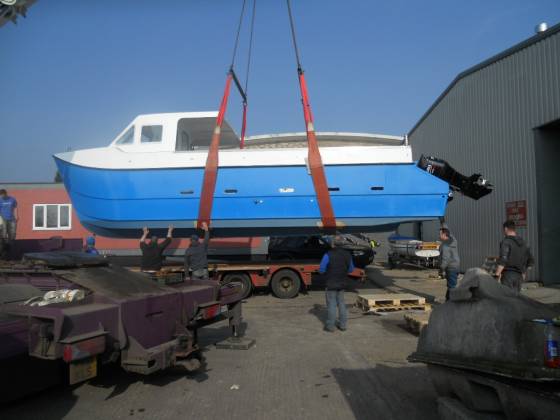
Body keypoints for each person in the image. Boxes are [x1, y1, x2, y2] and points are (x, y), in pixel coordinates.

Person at [319, 235, 355, 332]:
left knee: (331, 304)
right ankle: (343, 325)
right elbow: (351, 269)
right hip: (342, 283)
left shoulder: (328, 254)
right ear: (342, 243)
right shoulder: (347, 254)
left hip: (330, 283)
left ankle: (330, 326)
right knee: (341, 303)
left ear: (333, 244)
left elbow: (321, 270)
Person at [495, 220, 534, 293]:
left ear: (506, 229)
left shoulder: (506, 242)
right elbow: (531, 261)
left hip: (508, 275)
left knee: (507, 299)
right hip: (519, 277)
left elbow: (503, 259)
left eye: (503, 230)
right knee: (516, 300)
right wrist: (523, 272)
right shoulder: (523, 243)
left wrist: (496, 276)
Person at [439, 225, 460, 301]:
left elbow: (445, 260)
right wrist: (443, 223)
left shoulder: (445, 246)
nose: (439, 235)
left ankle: (452, 304)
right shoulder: (454, 240)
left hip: (450, 268)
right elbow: (449, 233)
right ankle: (447, 300)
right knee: (451, 285)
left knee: (451, 287)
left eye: (440, 234)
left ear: (444, 235)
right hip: (456, 266)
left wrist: (441, 269)